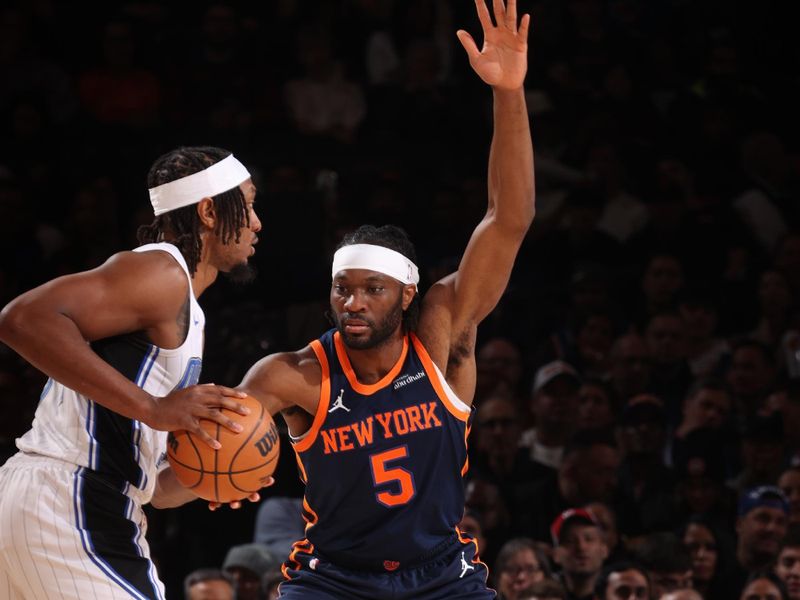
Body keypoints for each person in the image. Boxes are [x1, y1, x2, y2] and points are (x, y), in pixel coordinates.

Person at [238, 1, 535, 597]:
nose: (353, 303)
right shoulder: (295, 374)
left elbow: (509, 218)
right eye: (342, 289)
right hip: (334, 581)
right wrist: (184, 472)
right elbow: (216, 438)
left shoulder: (443, 330)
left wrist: (509, 92)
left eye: (372, 290)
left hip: (442, 576)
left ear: (407, 294)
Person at [0, 146, 264, 599]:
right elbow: (21, 319)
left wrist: (216, 472)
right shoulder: (161, 273)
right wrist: (153, 408)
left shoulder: (184, 308)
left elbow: (157, 491)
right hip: (72, 500)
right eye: (249, 202)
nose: (257, 223)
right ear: (207, 210)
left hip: (64, 499)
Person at [550, 507, 608, 600]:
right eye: (570, 541)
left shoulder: (623, 593)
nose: (581, 547)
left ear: (604, 549)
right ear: (556, 555)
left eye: (589, 539)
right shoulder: (541, 596)